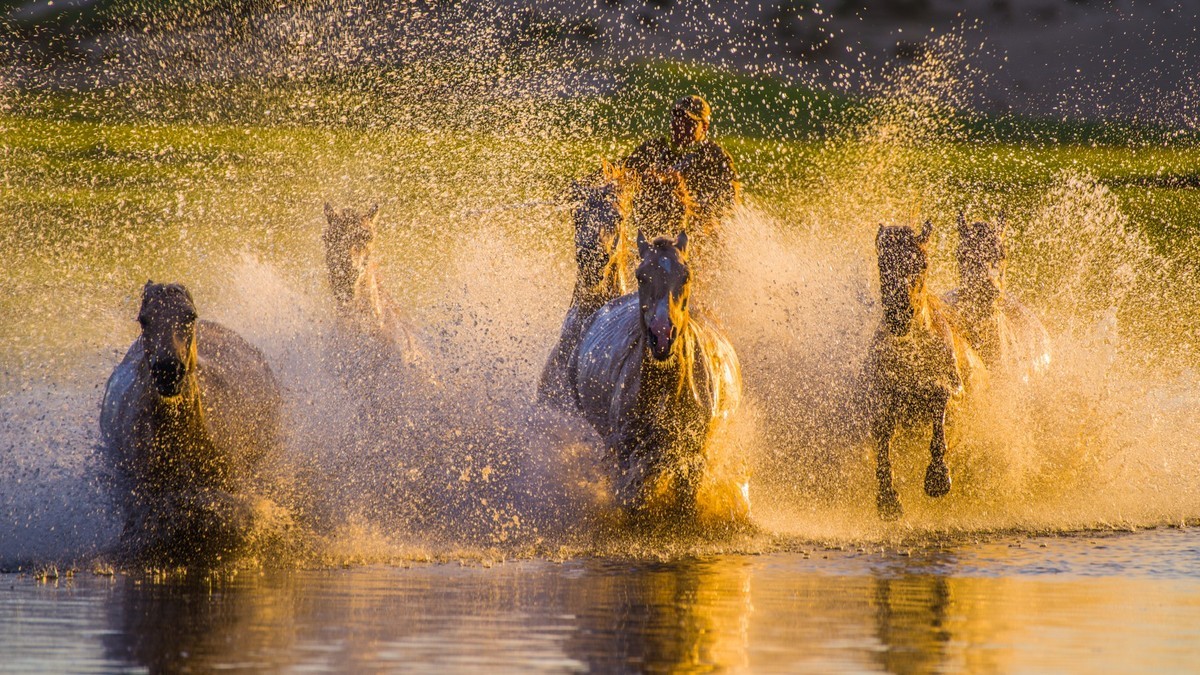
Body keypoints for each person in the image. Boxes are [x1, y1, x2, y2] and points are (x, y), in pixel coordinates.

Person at [621, 95, 740, 246]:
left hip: (698, 241)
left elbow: (727, 204)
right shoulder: (655, 148)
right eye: (676, 118)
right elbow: (621, 171)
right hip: (653, 238)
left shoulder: (716, 158)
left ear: (704, 127)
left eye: (688, 122)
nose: (679, 125)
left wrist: (691, 207)